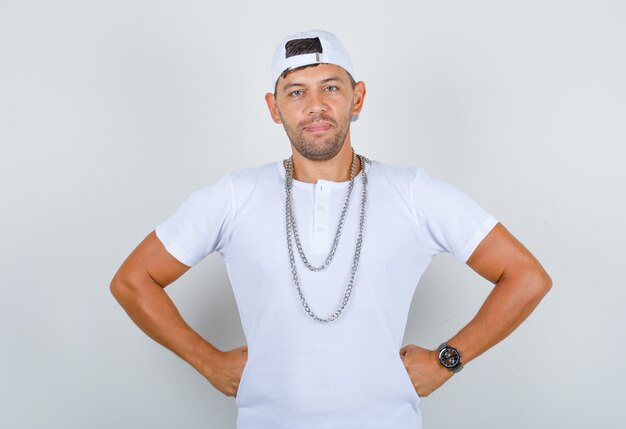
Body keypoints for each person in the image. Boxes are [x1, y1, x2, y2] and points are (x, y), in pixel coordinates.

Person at [110, 29, 552, 428]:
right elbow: (133, 281)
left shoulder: (413, 192)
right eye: (296, 91)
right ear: (273, 107)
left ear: (357, 98)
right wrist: (208, 362)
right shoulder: (234, 195)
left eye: (331, 87)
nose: (315, 106)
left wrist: (448, 359)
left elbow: (526, 277)